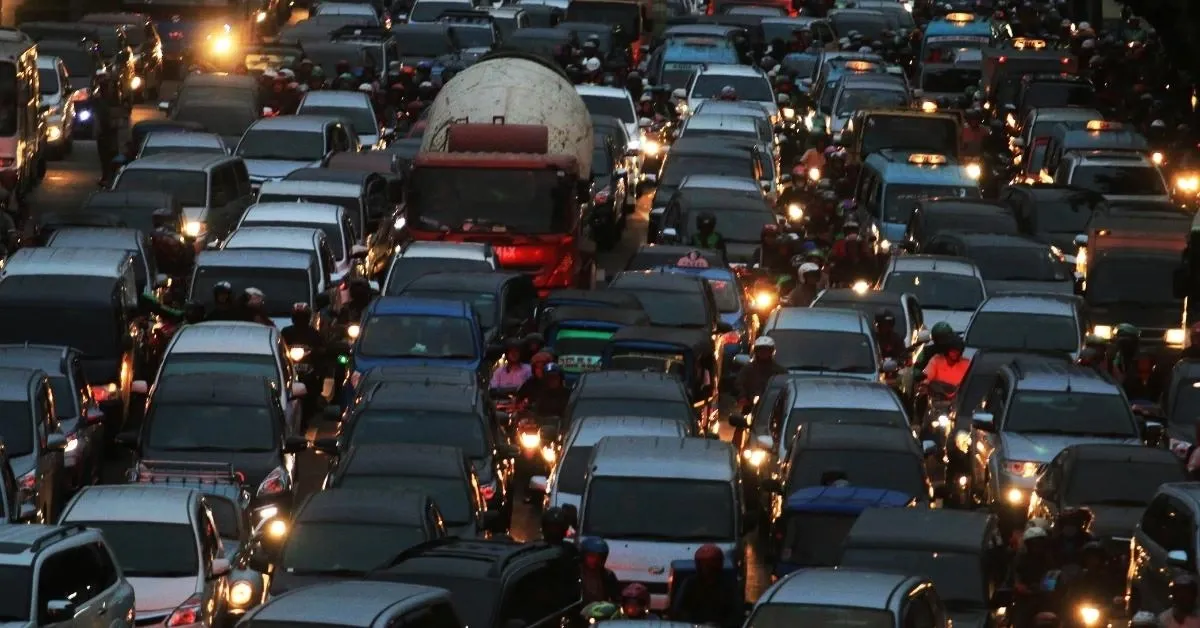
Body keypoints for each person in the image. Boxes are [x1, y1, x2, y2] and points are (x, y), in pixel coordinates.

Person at [671, 544, 741, 626]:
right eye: (703, 565)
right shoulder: (690, 584)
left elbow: (736, 612)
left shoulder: (728, 586)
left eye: (710, 566)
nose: (706, 569)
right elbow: (679, 610)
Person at [734, 336, 786, 412]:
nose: (763, 352)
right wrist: (742, 396)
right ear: (756, 351)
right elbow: (738, 383)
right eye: (760, 350)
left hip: (773, 407)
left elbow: (785, 386)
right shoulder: (748, 368)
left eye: (766, 350)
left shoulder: (780, 371)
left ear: (771, 351)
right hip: (750, 406)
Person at [94, 71, 120, 187]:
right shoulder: (101, 101)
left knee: (109, 156)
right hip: (106, 134)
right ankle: (107, 176)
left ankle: (110, 177)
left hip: (109, 134)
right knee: (106, 157)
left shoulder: (112, 101)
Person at [580, 537, 621, 604]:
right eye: (591, 556)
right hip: (576, 610)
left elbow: (616, 597)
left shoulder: (608, 575)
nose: (595, 560)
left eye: (599, 557)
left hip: (599, 612)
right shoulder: (574, 573)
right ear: (583, 555)